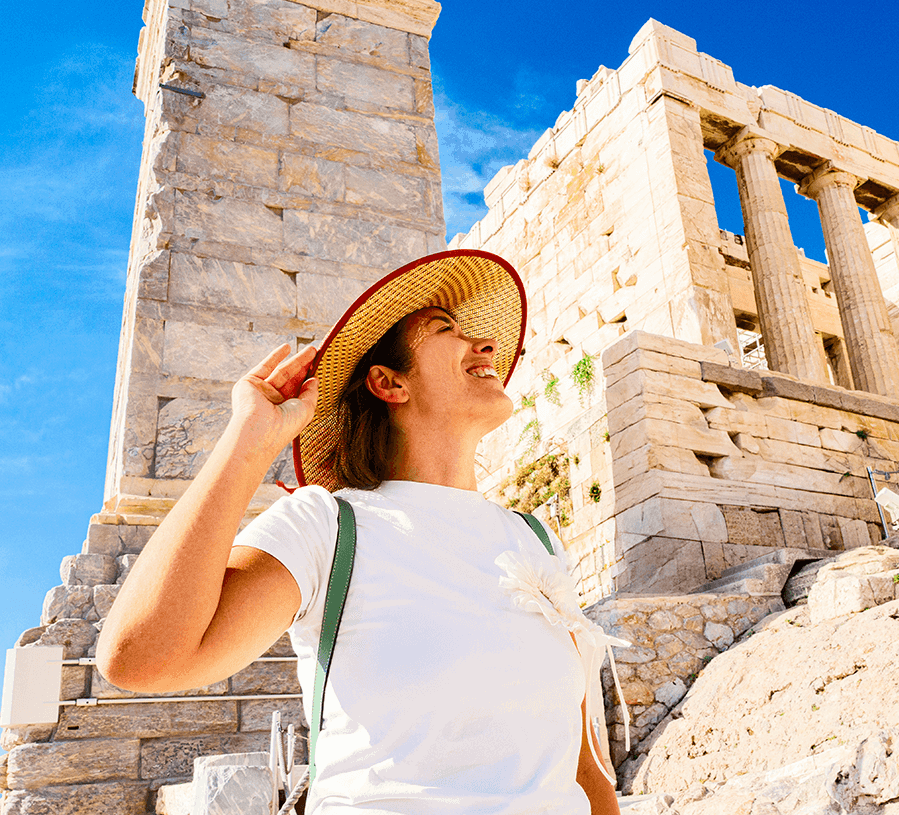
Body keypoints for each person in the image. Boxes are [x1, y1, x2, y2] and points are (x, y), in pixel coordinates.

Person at [98, 251, 621, 815]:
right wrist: (250, 438)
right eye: (447, 331)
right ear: (388, 381)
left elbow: (580, 765)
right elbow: (141, 658)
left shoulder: (535, 538)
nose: (488, 346)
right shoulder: (327, 526)